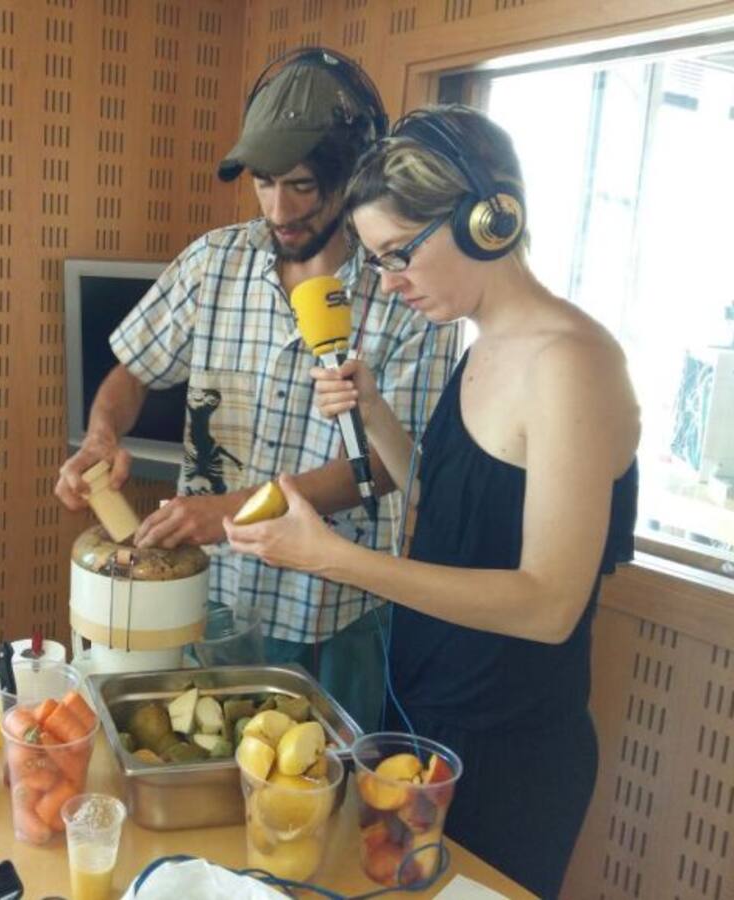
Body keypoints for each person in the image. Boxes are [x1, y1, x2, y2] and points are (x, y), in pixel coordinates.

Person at [223, 104, 640, 897]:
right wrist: (373, 409)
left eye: (398, 254)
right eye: (378, 261)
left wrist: (336, 559)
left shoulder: (571, 364)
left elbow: (549, 604)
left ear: (486, 220)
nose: (388, 282)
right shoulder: (484, 347)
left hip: (505, 747)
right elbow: (449, 510)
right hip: (425, 711)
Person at [54, 48, 458, 724]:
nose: (279, 208)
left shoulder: (406, 288)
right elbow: (135, 368)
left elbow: (392, 466)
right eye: (264, 184)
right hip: (211, 602)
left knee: (317, 780)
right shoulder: (215, 261)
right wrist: (102, 435)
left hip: (332, 611)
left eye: (301, 185)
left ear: (354, 175)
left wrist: (237, 511)